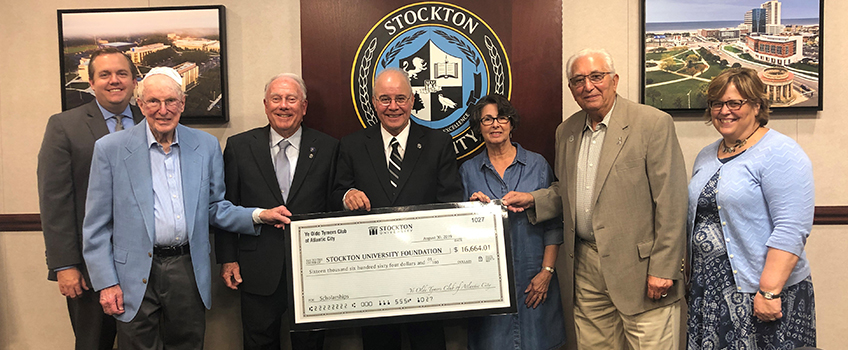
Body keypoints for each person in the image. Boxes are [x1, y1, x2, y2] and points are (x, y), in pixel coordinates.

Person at [82, 67, 292, 350]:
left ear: (182, 104)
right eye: (154, 102)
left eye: (171, 101)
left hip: (186, 268)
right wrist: (106, 283)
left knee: (188, 345)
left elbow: (214, 207)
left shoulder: (205, 146)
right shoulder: (110, 149)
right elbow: (95, 225)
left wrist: (259, 215)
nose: (163, 110)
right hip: (132, 273)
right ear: (141, 104)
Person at [502, 48, 688, 350]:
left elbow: (672, 201)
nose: (587, 86)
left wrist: (664, 269)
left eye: (596, 77)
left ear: (614, 80)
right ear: (571, 89)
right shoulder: (567, 132)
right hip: (586, 267)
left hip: (641, 271)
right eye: (577, 80)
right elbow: (568, 191)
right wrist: (533, 200)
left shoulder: (652, 123)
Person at [331, 67, 463, 350]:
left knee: (428, 342)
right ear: (374, 102)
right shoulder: (352, 145)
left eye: (400, 98)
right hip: (373, 274)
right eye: (385, 99)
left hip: (426, 273)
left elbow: (450, 201)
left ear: (413, 100)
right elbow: (335, 194)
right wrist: (348, 195)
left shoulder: (439, 143)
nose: (393, 107)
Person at [686, 67, 816, 349]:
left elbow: (792, 227)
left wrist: (769, 292)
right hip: (709, 290)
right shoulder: (707, 154)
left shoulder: (781, 151)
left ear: (757, 105)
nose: (724, 111)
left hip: (761, 292)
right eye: (717, 103)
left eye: (735, 103)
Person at [215, 73, 336, 350]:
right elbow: (226, 205)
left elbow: (332, 206)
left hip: (312, 271)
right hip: (256, 269)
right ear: (265, 105)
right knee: (259, 342)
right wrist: (228, 259)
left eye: (291, 99)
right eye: (276, 99)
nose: (284, 106)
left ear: (303, 106)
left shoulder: (329, 148)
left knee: (311, 343)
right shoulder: (239, 147)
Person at [37, 47, 144, 350]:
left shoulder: (150, 120)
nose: (114, 80)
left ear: (134, 80)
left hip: (144, 265)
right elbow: (54, 199)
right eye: (105, 74)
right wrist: (65, 264)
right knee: (92, 343)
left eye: (122, 73)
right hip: (87, 267)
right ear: (91, 81)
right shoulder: (64, 126)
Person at [459, 94, 567, 350]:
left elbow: (554, 224)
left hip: (535, 279)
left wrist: (547, 273)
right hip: (488, 287)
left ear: (511, 123)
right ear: (478, 127)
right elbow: (458, 235)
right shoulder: (467, 171)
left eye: (501, 118)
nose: (495, 124)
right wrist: (473, 213)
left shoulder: (538, 164)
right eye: (487, 119)